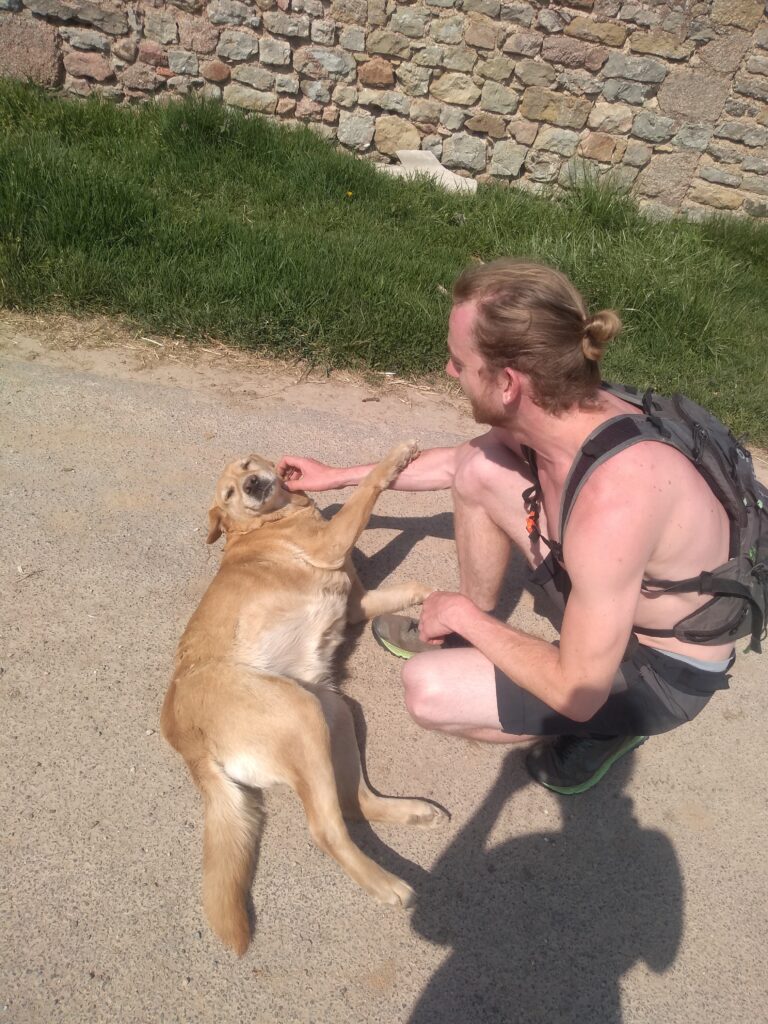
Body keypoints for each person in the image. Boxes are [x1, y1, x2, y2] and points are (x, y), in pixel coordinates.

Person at [277, 260, 735, 795]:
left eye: (458, 361)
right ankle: (466, 631)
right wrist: (337, 479)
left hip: (661, 664)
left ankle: (611, 731)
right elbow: (455, 466)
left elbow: (576, 690)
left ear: (508, 383)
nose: (450, 372)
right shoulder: (561, 406)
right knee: (478, 467)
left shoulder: (617, 501)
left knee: (429, 692)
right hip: (617, 591)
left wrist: (465, 615)